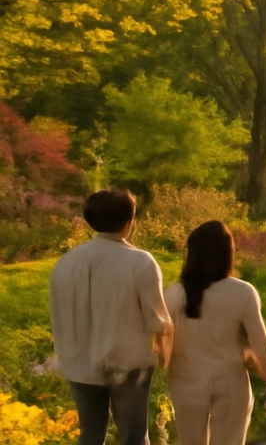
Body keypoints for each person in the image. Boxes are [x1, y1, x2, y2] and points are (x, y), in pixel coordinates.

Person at [49, 189, 174, 445]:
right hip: (128, 365)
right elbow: (157, 321)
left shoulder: (66, 263)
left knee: (91, 434)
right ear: (130, 220)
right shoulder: (140, 262)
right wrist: (167, 357)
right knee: (133, 437)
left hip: (79, 363)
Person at [164, 220, 266, 445]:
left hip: (185, 384)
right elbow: (261, 347)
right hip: (231, 383)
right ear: (228, 252)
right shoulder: (242, 292)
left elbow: (163, 343)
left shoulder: (174, 295)